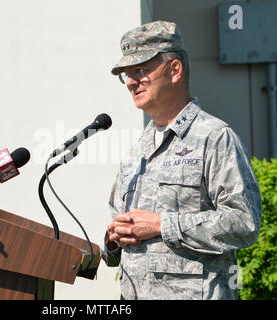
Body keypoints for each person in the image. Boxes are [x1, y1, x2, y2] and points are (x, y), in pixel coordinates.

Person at [101, 21, 262, 300]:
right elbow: (119, 244)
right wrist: (114, 240)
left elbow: (244, 223)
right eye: (126, 75)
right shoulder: (137, 151)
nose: (130, 82)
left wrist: (162, 225)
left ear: (174, 70)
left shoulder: (214, 137)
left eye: (140, 70)